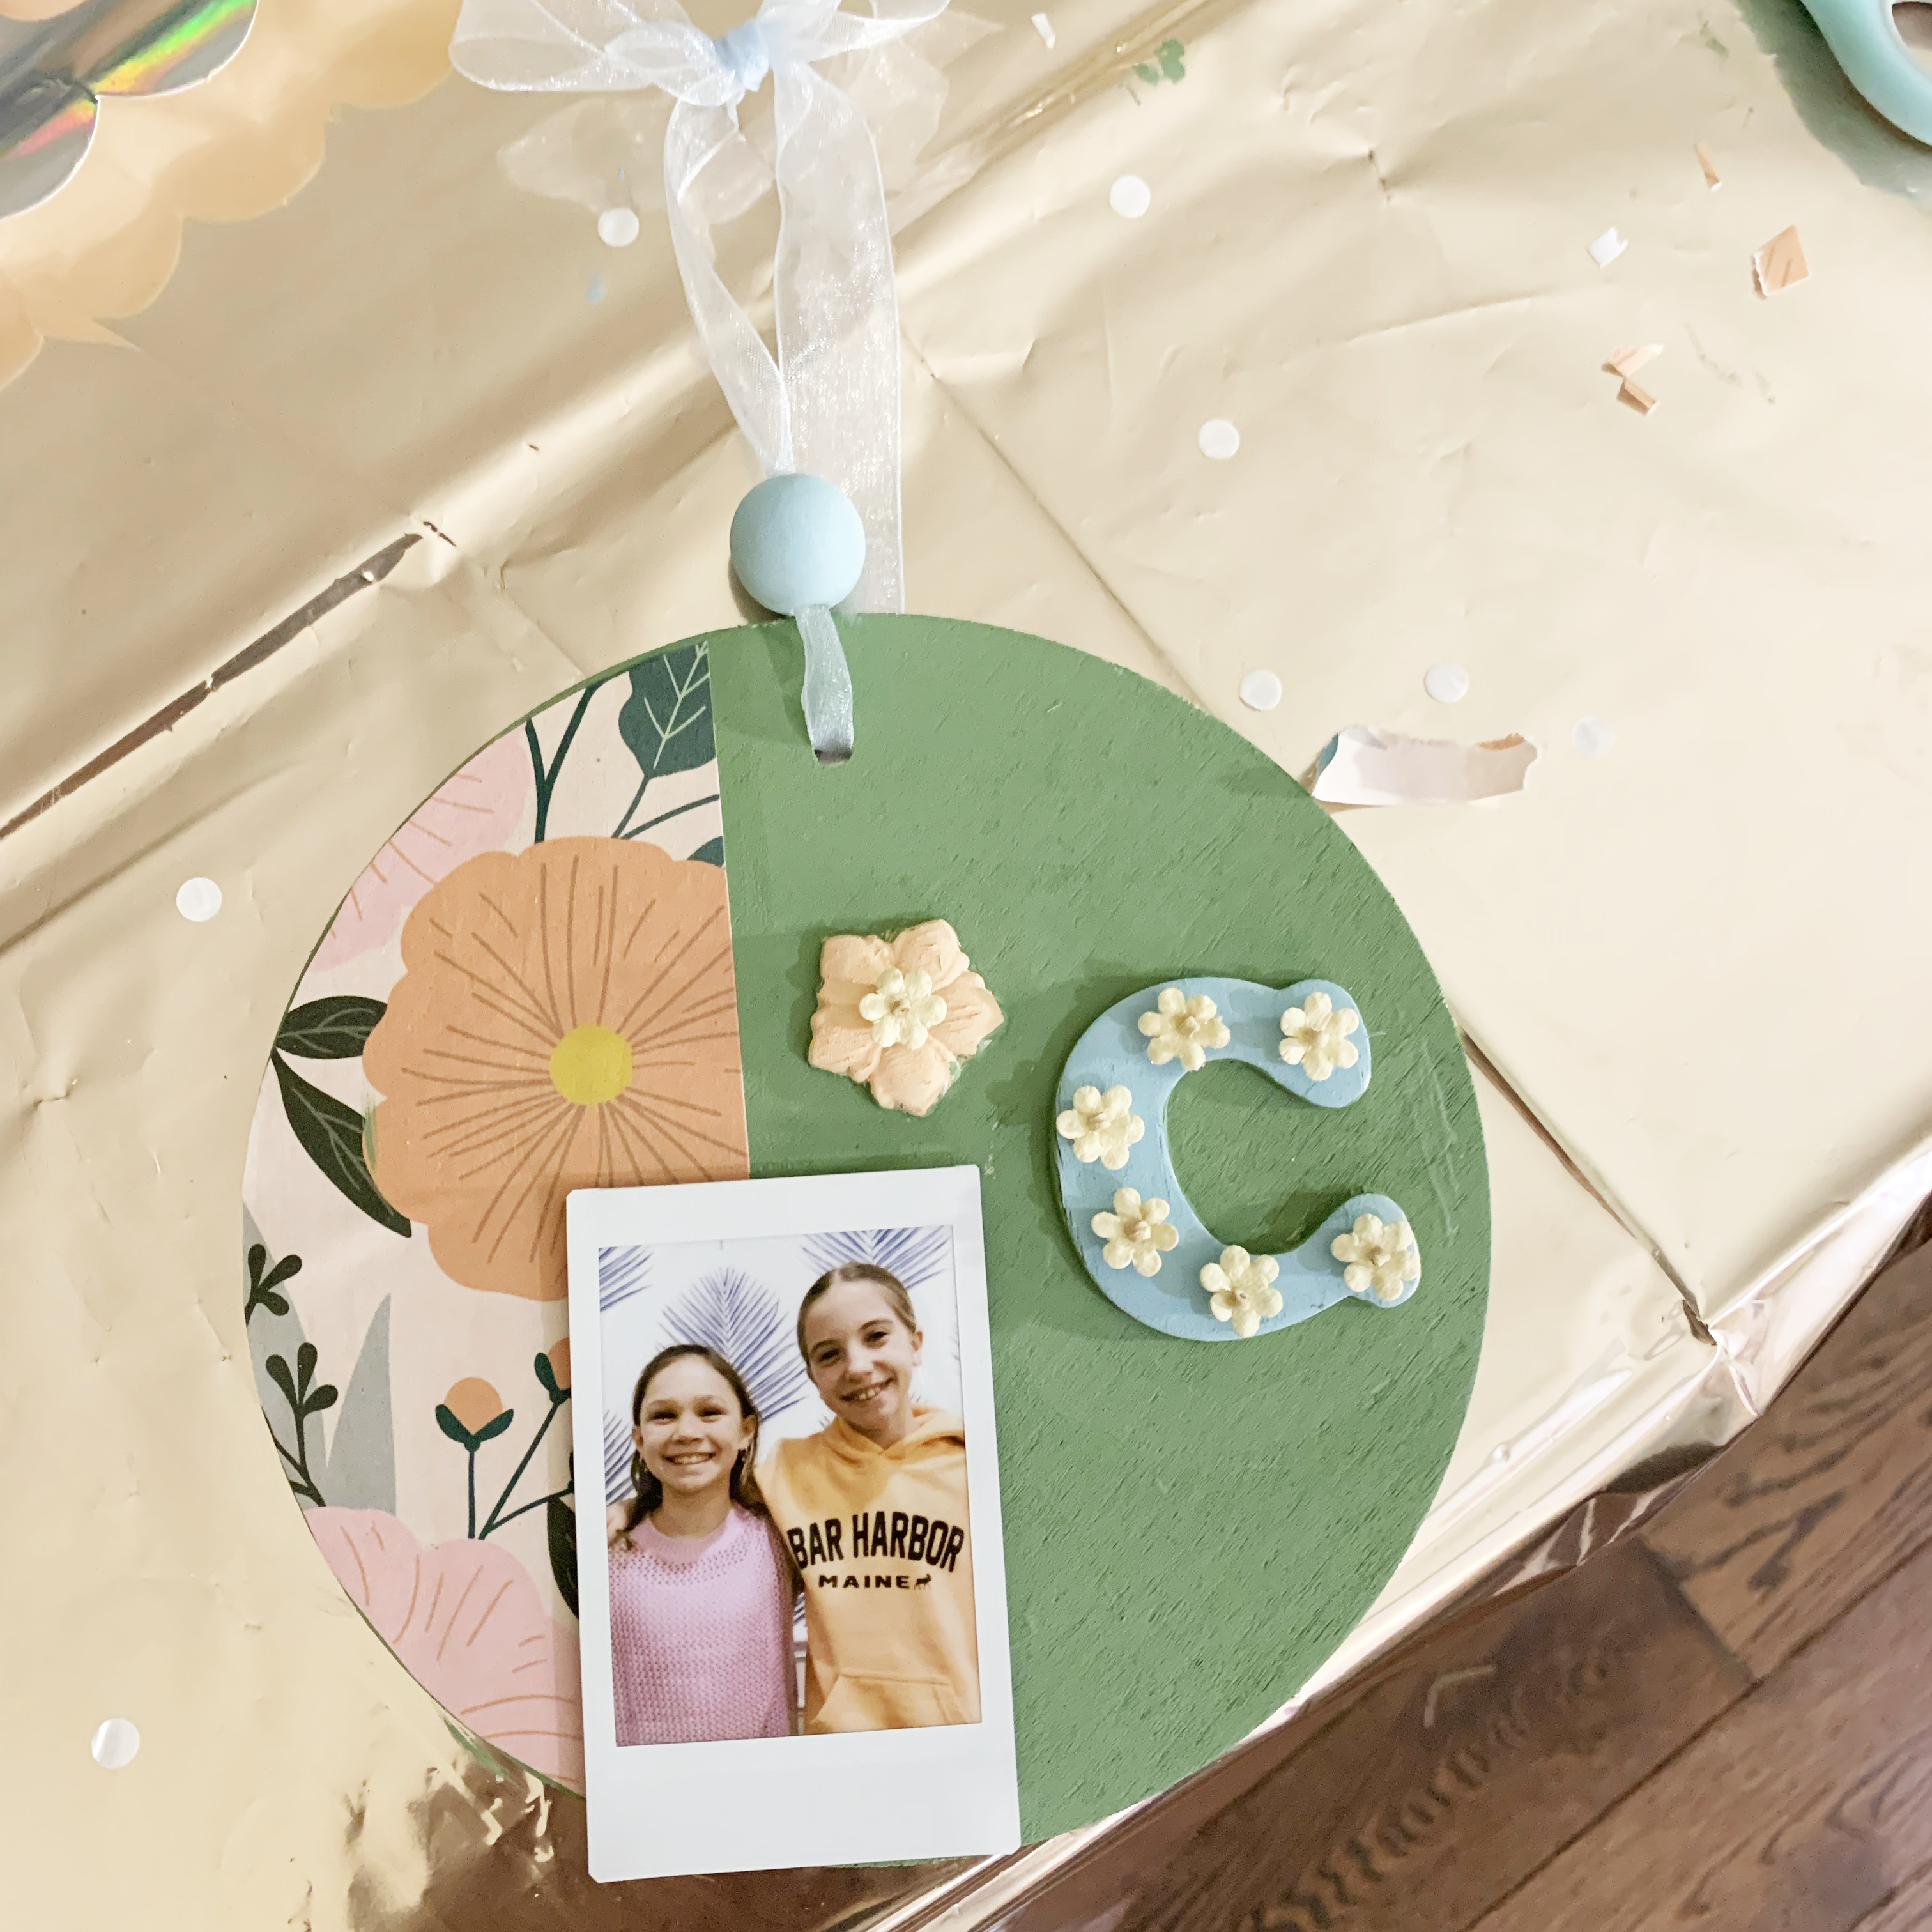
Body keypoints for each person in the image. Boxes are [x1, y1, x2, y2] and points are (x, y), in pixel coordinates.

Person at [760, 1263, 980, 1733]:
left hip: (964, 1737)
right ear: (812, 1375)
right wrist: (628, 1509)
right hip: (843, 1748)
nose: (857, 1367)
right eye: (829, 1354)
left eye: (876, 1337)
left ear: (915, 1343)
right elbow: (697, 1504)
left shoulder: (977, 1464)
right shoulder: (781, 1472)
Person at [604, 1344, 797, 1745]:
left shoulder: (780, 1537)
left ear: (747, 1431)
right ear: (639, 1439)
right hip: (644, 1798)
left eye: (710, 1412)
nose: (687, 1432)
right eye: (663, 1415)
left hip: (763, 1791)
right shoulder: (607, 1555)